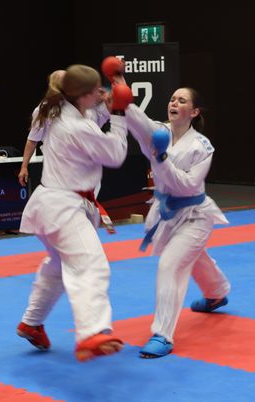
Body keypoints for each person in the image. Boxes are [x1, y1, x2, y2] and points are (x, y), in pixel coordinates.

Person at [16, 64, 131, 362]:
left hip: (54, 205)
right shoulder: (75, 125)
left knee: (58, 266)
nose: (100, 93)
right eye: (96, 90)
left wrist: (110, 102)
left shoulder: (63, 111)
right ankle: (92, 331)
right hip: (63, 208)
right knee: (91, 264)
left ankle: (32, 322)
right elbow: (115, 154)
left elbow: (94, 120)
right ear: (83, 94)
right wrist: (119, 114)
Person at [113, 74, 231, 358]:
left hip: (195, 215)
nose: (174, 103)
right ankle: (217, 293)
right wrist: (122, 92)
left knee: (170, 265)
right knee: (194, 257)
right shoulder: (160, 132)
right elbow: (140, 123)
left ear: (195, 111)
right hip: (166, 213)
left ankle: (162, 334)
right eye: (172, 99)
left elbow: (188, 185)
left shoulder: (201, 146)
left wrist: (162, 159)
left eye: (182, 100)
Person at [18, 70, 112, 189]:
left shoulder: (85, 105)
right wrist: (24, 167)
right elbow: (32, 140)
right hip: (57, 169)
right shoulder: (44, 109)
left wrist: (116, 78)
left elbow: (115, 102)